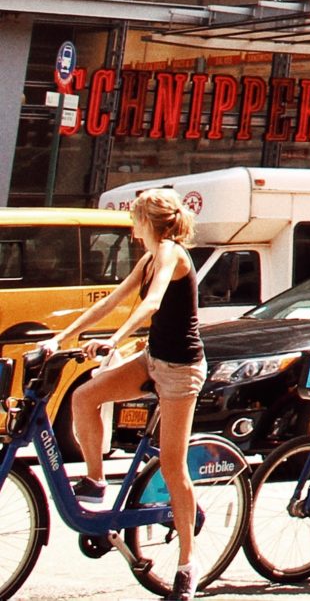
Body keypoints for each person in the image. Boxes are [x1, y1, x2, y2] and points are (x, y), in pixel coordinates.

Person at [50, 189, 205, 600]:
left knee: (173, 466)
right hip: (153, 360)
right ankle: (97, 481)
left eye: (134, 219)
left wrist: (114, 340)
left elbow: (153, 303)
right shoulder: (150, 257)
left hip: (181, 371)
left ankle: (188, 564)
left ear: (146, 221)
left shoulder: (172, 252)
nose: (132, 227)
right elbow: (110, 301)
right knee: (84, 397)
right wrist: (60, 338)